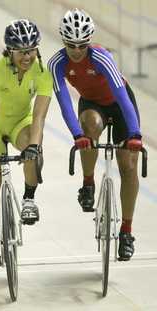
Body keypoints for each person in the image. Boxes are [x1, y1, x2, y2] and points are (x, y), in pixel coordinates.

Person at [48, 8, 142, 261]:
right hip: (93, 105)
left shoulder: (101, 58)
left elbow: (123, 98)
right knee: (88, 127)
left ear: (88, 42)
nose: (76, 51)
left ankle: (126, 231)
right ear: (63, 41)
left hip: (120, 106)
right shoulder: (57, 64)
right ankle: (88, 184)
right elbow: (65, 103)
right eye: (71, 45)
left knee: (128, 166)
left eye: (81, 45)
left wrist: (134, 133)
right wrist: (78, 134)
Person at [0, 19, 53, 268]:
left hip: (21, 122)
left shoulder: (42, 73)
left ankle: (29, 198)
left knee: (33, 150)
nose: (27, 56)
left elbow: (39, 117)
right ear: (10, 50)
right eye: (21, 51)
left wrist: (34, 147)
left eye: (31, 50)